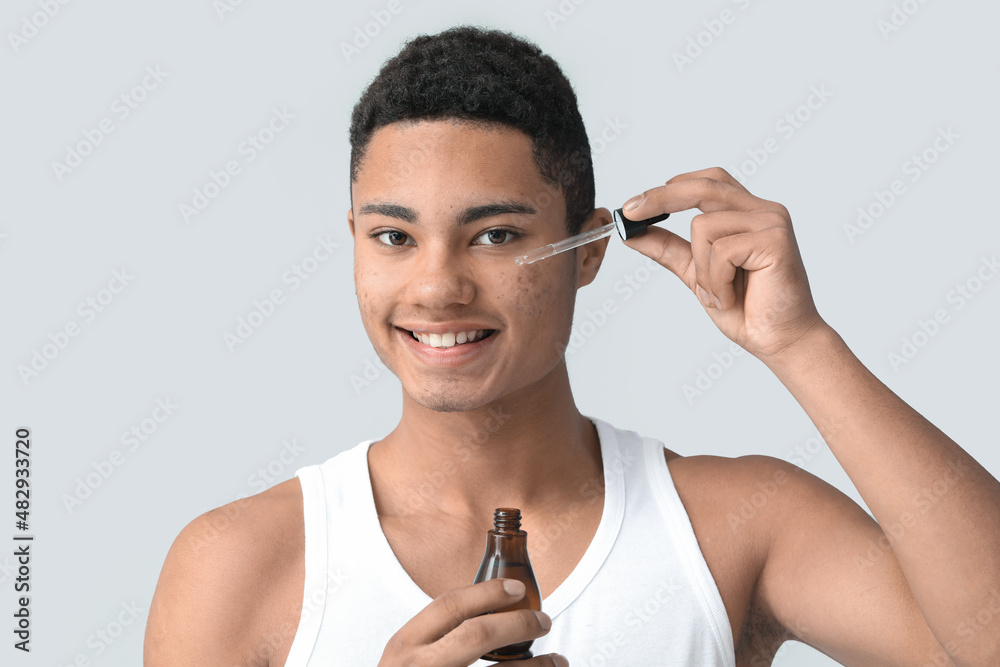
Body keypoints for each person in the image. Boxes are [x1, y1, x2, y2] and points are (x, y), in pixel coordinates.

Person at [143, 25, 1000, 667]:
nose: (436, 287)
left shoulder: (738, 524)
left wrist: (800, 343)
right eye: (394, 238)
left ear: (588, 248)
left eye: (496, 235)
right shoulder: (236, 563)